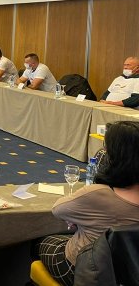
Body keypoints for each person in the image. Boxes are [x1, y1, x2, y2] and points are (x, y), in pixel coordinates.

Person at [37, 121, 139, 286]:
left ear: (116, 157)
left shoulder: (98, 194)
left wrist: (79, 219)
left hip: (87, 270)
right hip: (130, 272)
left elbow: (58, 210)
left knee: (40, 242)